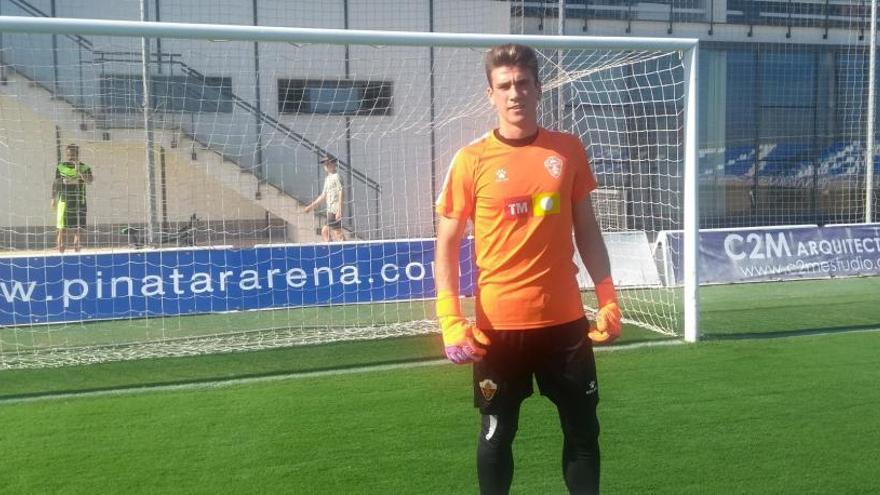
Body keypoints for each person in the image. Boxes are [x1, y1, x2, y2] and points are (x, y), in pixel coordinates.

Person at [433, 44, 622, 494]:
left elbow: (587, 231)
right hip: (499, 328)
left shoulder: (568, 150)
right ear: (490, 95)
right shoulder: (470, 160)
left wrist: (609, 297)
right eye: (504, 86)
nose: (514, 94)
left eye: (522, 84)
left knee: (583, 433)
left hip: (565, 325)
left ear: (538, 88)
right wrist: (448, 318)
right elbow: (446, 244)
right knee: (496, 436)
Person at [51, 144, 93, 253]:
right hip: (64, 201)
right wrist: (53, 198)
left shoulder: (85, 167)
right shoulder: (61, 167)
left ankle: (77, 250)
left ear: (77, 155)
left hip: (79, 201)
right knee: (61, 228)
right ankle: (60, 250)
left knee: (79, 228)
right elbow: (55, 183)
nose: (70, 157)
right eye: (69, 154)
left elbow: (89, 181)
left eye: (73, 154)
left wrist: (80, 172)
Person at [304, 156, 346, 242]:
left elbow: (341, 192)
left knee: (331, 232)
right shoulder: (328, 178)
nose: (325, 166)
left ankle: (342, 250)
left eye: (327, 164)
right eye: (324, 164)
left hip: (335, 209)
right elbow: (323, 195)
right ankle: (334, 248)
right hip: (330, 210)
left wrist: (339, 210)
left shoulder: (336, 176)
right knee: (330, 232)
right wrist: (310, 207)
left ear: (333, 164)